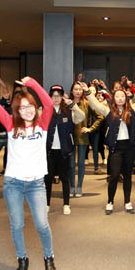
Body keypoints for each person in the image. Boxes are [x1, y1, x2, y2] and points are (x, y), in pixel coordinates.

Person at [0, 69, 56, 270]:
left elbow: (50, 104)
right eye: (22, 107)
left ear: (35, 108)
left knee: (42, 225)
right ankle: (22, 259)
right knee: (17, 225)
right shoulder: (10, 125)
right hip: (13, 184)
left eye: (30, 106)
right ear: (17, 110)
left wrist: (32, 84)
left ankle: (49, 258)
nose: (26, 110)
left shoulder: (42, 125)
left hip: (36, 184)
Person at [84, 71, 135, 215]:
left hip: (130, 147)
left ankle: (127, 201)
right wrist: (87, 92)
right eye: (117, 96)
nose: (120, 98)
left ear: (126, 98)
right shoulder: (108, 110)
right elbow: (94, 104)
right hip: (115, 148)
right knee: (113, 176)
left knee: (127, 176)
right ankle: (110, 202)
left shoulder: (132, 109)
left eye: (122, 96)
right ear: (114, 98)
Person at [45, 85, 85, 215]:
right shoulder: (45, 110)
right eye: (53, 95)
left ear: (62, 97)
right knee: (48, 178)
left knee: (65, 178)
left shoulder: (68, 111)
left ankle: (66, 204)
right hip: (49, 150)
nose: (56, 98)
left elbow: (81, 116)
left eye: (58, 95)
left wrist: (72, 105)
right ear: (50, 96)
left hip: (64, 150)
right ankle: (46, 204)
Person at [70, 81, 103, 197]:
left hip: (82, 137)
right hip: (69, 137)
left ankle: (79, 187)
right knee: (71, 165)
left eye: (80, 89)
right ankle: (72, 186)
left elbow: (100, 116)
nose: (78, 91)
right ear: (71, 91)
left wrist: (90, 129)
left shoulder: (87, 103)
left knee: (81, 164)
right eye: (76, 89)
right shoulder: (68, 103)